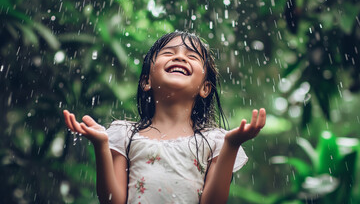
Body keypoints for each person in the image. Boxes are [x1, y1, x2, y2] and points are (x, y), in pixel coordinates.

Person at [63, 31, 266, 204]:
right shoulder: (125, 135)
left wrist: (231, 145)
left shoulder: (214, 141)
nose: (180, 57)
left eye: (192, 56)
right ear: (147, 81)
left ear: (205, 88)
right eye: (168, 53)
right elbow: (111, 200)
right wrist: (102, 146)